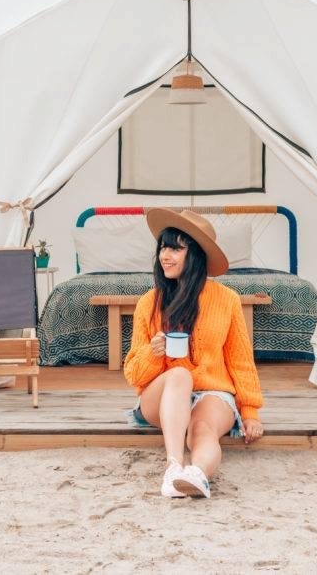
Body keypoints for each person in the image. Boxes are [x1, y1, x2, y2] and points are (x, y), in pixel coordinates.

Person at [123, 208, 264, 499]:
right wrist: (153, 353)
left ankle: (196, 475)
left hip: (213, 392)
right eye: (163, 247)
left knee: (202, 429)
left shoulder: (226, 300)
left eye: (176, 248)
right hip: (161, 395)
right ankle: (174, 465)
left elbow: (241, 360)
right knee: (179, 374)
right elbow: (134, 375)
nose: (165, 255)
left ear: (196, 255)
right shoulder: (149, 303)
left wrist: (250, 412)